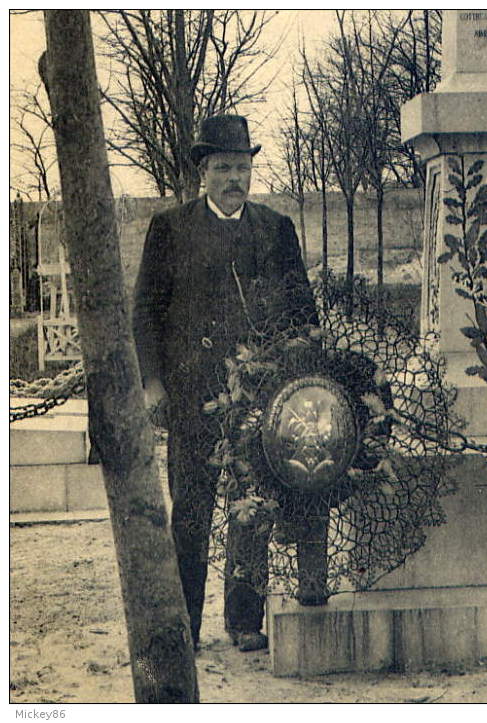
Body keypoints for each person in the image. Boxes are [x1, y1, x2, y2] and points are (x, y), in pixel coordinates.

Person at [133, 114, 317, 652]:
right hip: (192, 399)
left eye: (242, 166)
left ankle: (244, 620)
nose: (234, 177)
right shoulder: (170, 229)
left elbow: (302, 309)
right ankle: (184, 625)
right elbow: (145, 312)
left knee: (250, 508)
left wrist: (295, 367)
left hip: (258, 400)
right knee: (190, 513)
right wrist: (152, 385)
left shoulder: (275, 229)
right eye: (222, 168)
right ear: (203, 173)